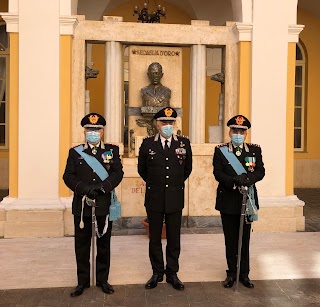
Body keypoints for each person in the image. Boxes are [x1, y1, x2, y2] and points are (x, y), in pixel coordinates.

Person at [63, 112, 124, 297]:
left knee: (104, 244)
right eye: (90, 129)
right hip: (82, 205)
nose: (93, 132)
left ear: (102, 132)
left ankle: (102, 280)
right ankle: (82, 282)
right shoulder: (75, 152)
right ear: (84, 131)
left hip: (103, 203)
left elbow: (117, 173)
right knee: (82, 245)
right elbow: (68, 176)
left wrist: (102, 187)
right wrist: (84, 189)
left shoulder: (112, 151)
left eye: (97, 129)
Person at [138, 107, 192, 291]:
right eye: (164, 122)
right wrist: (157, 184)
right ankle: (156, 273)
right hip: (154, 198)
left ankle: (172, 273)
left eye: (171, 122)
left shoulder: (184, 144)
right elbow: (142, 170)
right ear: (157, 124)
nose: (168, 126)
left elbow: (187, 169)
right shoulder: (147, 144)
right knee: (154, 238)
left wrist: (174, 185)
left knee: (174, 237)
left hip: (175, 198)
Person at [212, 115, 265, 289]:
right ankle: (231, 273)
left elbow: (260, 171)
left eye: (242, 131)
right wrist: (235, 180)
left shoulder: (254, 151)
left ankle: (244, 274)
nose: (238, 134)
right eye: (235, 130)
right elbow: (218, 173)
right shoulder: (221, 151)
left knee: (245, 238)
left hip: (246, 200)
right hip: (228, 200)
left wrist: (247, 179)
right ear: (229, 132)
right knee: (231, 238)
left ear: (246, 134)